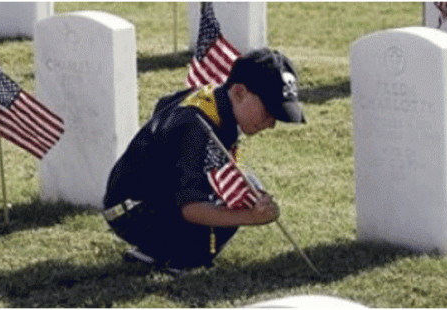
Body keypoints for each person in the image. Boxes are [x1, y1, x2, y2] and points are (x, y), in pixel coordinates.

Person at [102, 48, 306, 272]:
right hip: (132, 211)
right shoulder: (198, 128)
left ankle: (154, 251)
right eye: (269, 110)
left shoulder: (211, 100)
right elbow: (192, 209)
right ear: (239, 92)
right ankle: (183, 258)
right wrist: (250, 216)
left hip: (130, 203)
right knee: (240, 196)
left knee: (245, 187)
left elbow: (163, 104)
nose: (271, 123)